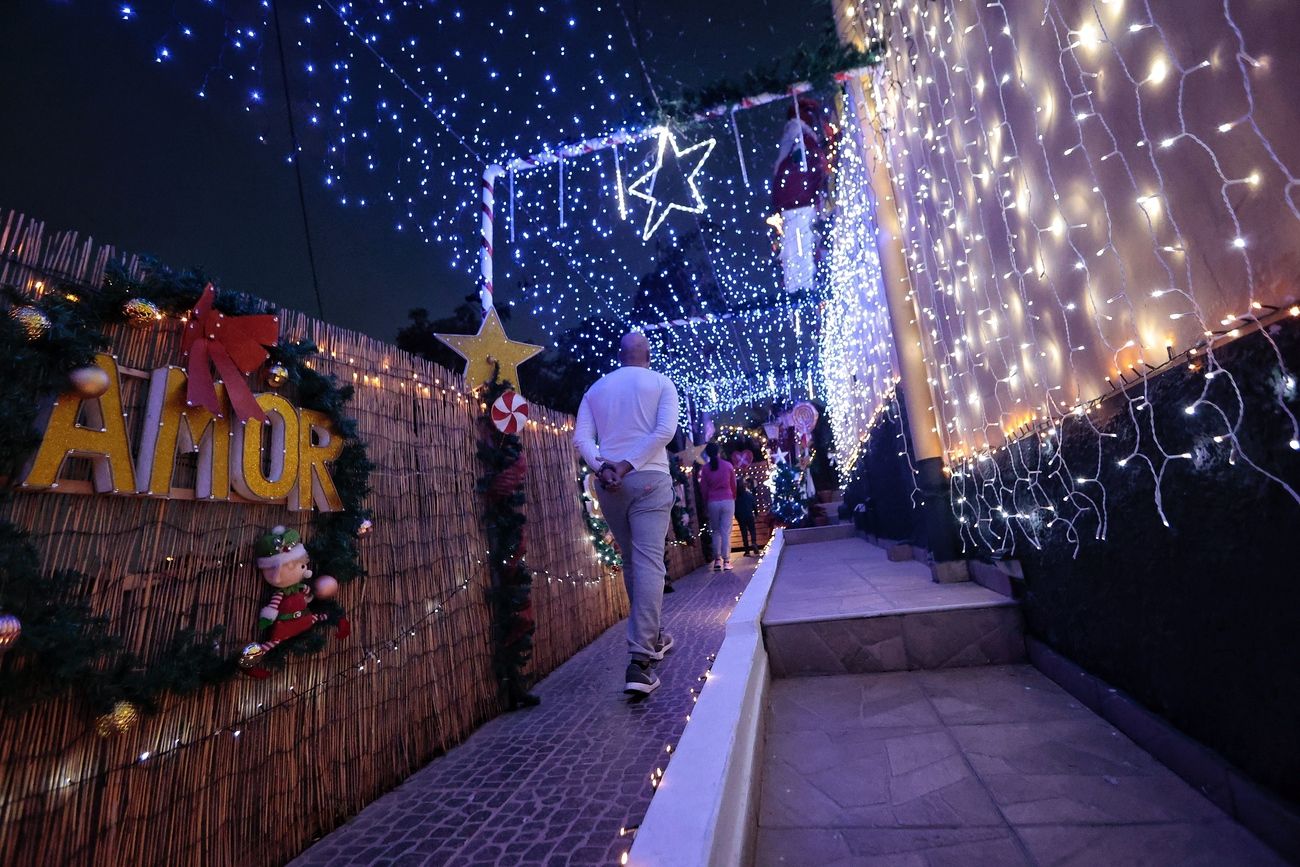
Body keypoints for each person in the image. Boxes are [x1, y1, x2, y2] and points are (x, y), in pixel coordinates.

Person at [574, 331, 680, 696]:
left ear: (621, 356)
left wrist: (605, 467)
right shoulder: (662, 384)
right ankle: (640, 659)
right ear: (647, 355)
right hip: (649, 477)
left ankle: (654, 637)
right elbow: (665, 431)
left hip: (609, 485)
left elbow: (582, 440)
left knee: (634, 563)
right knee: (650, 562)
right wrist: (629, 464)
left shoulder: (595, 390)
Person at [698, 442, 737, 571]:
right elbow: (733, 485)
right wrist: (732, 497)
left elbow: (703, 488)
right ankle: (726, 561)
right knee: (726, 531)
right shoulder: (728, 466)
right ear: (719, 451)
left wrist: (706, 502)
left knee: (715, 531)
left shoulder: (705, 469)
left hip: (712, 502)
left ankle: (717, 560)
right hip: (727, 499)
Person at [735, 479, 759, 558]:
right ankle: (754, 542)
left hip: (741, 516)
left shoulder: (735, 497)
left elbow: (734, 508)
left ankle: (747, 550)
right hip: (749, 514)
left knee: (744, 533)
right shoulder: (749, 494)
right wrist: (756, 513)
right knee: (752, 530)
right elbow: (754, 504)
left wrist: (736, 515)